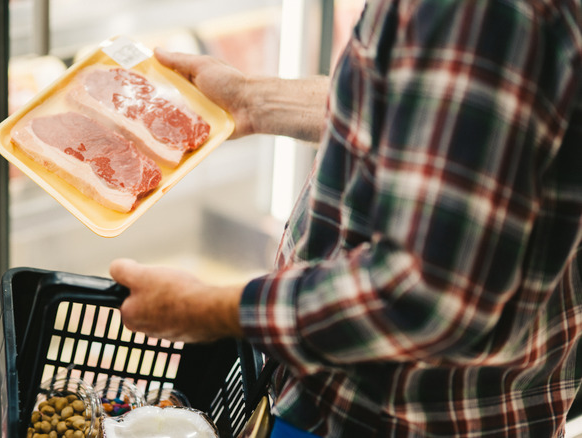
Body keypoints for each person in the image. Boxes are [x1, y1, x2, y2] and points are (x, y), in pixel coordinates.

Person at [109, 1, 582, 436]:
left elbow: (422, 293)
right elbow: (428, 115)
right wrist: (251, 100)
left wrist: (207, 310)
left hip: (400, 417)